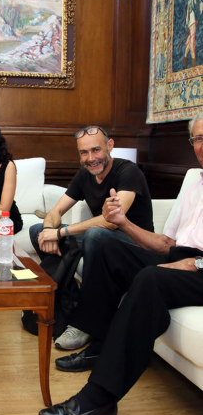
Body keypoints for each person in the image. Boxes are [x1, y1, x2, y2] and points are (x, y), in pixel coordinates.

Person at [38, 111, 203, 415]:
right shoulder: (194, 180)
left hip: (199, 268)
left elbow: (182, 257)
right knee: (108, 246)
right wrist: (125, 224)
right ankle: (98, 343)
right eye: (198, 139)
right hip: (181, 257)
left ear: (108, 147)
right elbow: (167, 243)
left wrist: (195, 263)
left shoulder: (128, 172)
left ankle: (100, 397)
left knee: (150, 279)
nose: (202, 146)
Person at [29, 125, 153, 350]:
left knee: (96, 234)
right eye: (84, 152)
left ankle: (86, 323)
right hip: (102, 240)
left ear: (110, 146)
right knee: (37, 230)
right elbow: (55, 212)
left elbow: (112, 221)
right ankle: (74, 304)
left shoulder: (128, 171)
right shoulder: (84, 175)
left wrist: (60, 232)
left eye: (96, 150)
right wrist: (49, 231)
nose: (91, 158)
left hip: (136, 247)